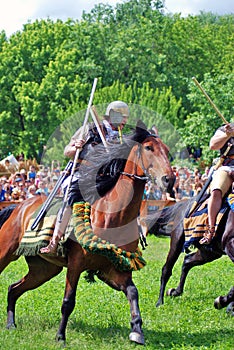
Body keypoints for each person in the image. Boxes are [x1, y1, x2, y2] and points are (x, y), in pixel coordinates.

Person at [40, 100, 129, 254]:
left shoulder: (123, 138)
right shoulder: (90, 129)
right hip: (83, 173)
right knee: (71, 196)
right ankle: (54, 240)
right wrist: (75, 147)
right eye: (122, 117)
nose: (125, 121)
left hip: (108, 177)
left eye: (126, 118)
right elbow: (67, 152)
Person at [199, 123, 234, 245]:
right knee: (217, 189)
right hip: (228, 167)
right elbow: (213, 145)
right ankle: (211, 229)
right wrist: (228, 134)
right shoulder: (226, 128)